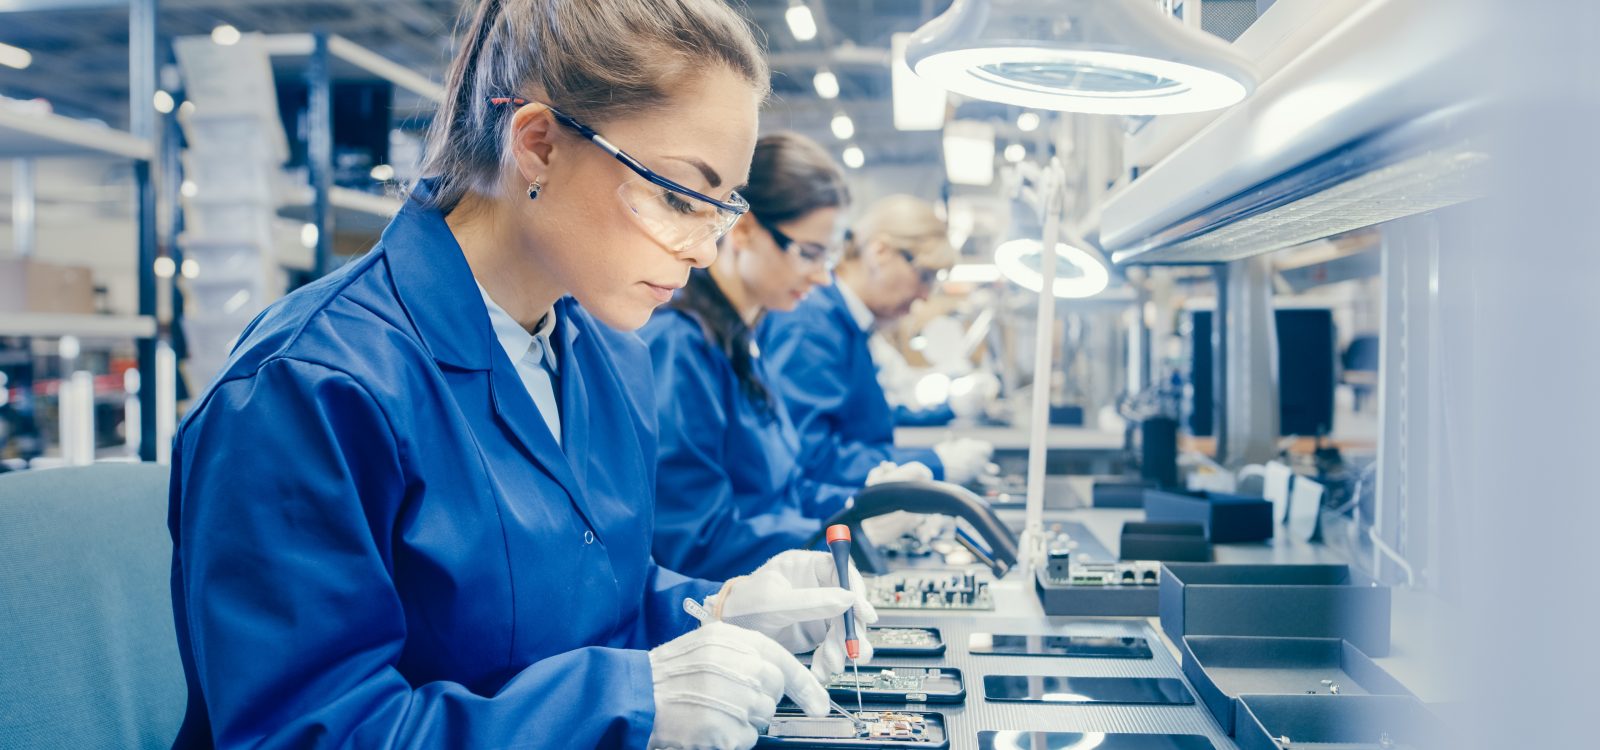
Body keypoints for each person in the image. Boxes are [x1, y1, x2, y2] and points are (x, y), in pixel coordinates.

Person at [165, 2, 875, 748]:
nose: (703, 253)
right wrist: (629, 701)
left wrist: (723, 611)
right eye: (675, 197)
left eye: (719, 211)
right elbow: (313, 731)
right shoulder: (310, 388)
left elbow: (599, 605)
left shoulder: (606, 357)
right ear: (537, 145)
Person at [641, 132, 928, 580]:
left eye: (828, 256)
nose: (820, 277)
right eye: (809, 254)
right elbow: (695, 541)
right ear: (747, 230)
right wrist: (844, 529)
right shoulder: (682, 347)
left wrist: (862, 503)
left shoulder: (743, 340)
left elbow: (785, 491)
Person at [760, 195, 995, 489]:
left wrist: (947, 413)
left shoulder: (846, 325)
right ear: (880, 251)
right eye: (923, 275)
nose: (925, 295)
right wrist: (931, 464)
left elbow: (860, 419)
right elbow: (811, 457)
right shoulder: (811, 326)